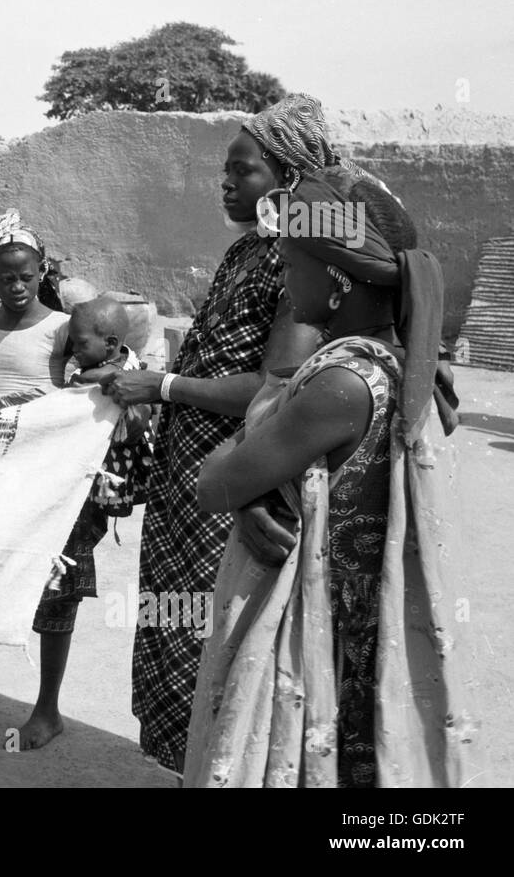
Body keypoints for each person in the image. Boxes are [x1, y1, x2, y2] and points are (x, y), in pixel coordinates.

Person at [185, 166, 478, 787]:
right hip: (361, 614)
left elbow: (214, 484)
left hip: (329, 632)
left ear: (337, 277)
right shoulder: (395, 363)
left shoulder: (340, 384)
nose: (287, 284)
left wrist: (242, 479)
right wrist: (260, 484)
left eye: (292, 264)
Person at [101, 94, 351, 775]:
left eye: (242, 171)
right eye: (226, 169)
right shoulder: (247, 251)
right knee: (177, 632)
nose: (226, 182)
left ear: (289, 180)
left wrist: (163, 388)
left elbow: (277, 388)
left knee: (225, 646)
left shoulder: (300, 261)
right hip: (190, 486)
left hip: (236, 483)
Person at [0, 208, 141, 750]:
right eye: (6, 277)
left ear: (42, 268)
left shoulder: (61, 328)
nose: (18, 285)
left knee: (55, 587)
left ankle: (47, 709)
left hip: (55, 480)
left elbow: (101, 372)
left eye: (27, 275)